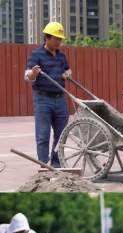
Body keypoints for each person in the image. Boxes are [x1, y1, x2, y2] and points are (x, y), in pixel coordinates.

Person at [24, 22, 71, 168]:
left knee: (61, 135)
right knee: (43, 135)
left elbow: (68, 70)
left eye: (60, 39)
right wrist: (33, 73)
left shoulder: (62, 57)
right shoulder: (36, 55)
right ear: (47, 38)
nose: (59, 42)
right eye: (56, 39)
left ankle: (56, 164)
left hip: (60, 99)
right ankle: (44, 166)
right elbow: (27, 77)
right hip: (43, 99)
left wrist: (67, 74)